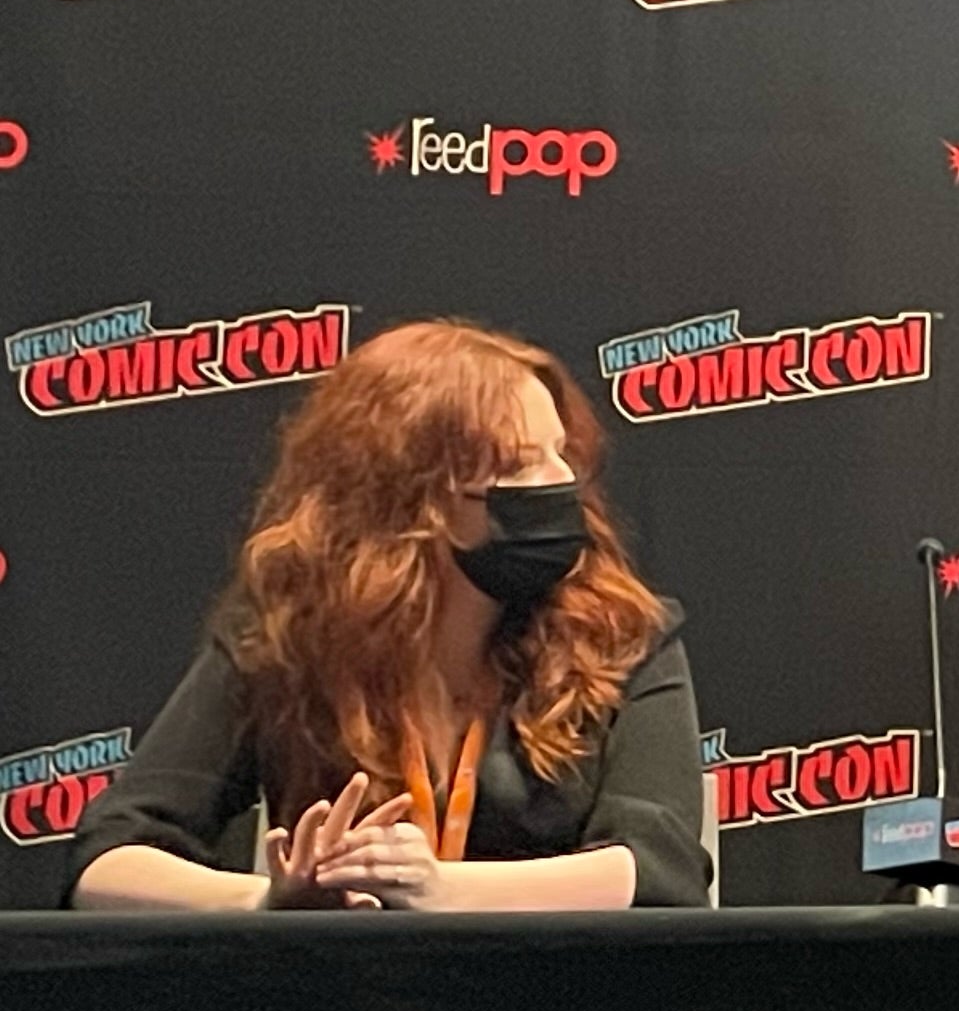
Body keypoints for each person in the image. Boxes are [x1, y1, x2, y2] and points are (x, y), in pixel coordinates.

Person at [67, 319, 709, 909]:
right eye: (520, 463)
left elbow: (660, 870)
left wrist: (437, 888)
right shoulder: (286, 638)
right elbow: (107, 862)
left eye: (560, 452)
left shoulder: (622, 635)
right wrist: (267, 902)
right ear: (415, 500)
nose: (559, 480)